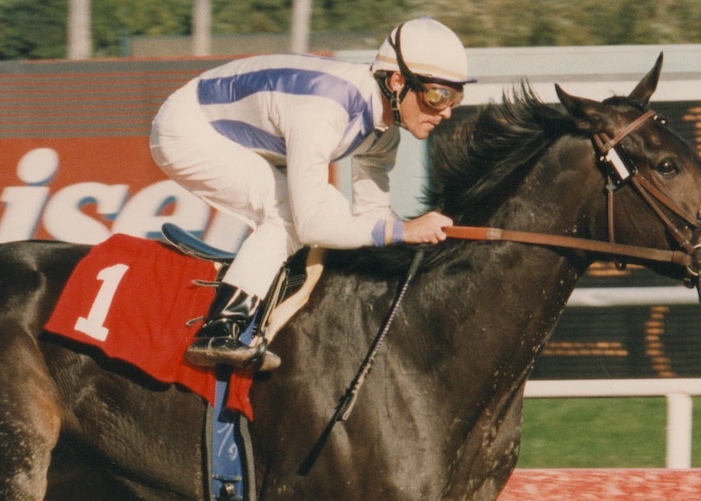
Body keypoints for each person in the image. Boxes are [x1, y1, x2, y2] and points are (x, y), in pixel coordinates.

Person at [150, 17, 474, 370]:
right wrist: (404, 230)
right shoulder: (325, 110)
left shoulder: (384, 136)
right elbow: (311, 226)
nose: (446, 111)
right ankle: (219, 328)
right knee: (289, 214)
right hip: (188, 128)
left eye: (456, 97)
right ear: (397, 81)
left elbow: (374, 217)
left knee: (334, 211)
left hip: (245, 135)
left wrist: (417, 241)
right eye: (438, 95)